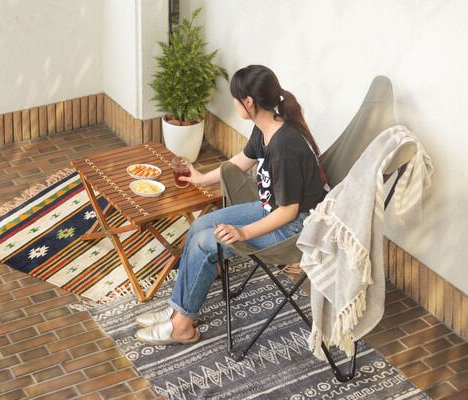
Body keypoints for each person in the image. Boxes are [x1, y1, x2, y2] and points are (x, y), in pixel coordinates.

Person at [135, 65, 328, 345]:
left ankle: (181, 327)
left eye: (236, 99)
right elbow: (241, 161)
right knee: (201, 225)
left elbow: (288, 212)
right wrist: (201, 178)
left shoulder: (285, 147)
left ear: (249, 102)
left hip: (296, 227)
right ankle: (179, 309)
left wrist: (243, 233)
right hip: (271, 209)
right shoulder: (266, 127)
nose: (234, 104)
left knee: (206, 242)